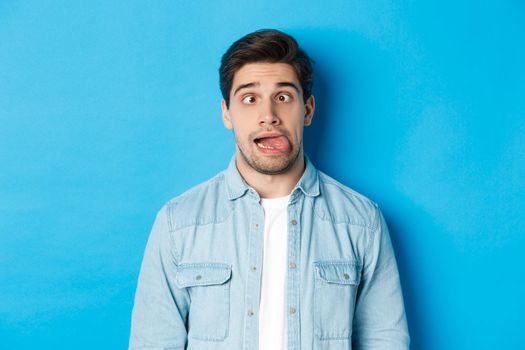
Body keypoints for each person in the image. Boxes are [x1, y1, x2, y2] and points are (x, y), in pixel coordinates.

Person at [129, 29, 409, 350]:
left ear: (307, 110)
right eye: (250, 99)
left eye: (283, 97)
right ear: (226, 113)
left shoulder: (361, 222)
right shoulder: (178, 223)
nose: (268, 116)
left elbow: (385, 341)